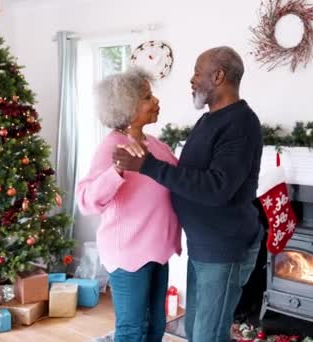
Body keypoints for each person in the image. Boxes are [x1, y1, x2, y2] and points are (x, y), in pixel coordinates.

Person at [113, 46, 264, 342]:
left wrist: (148, 166)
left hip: (224, 250)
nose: (192, 80)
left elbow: (217, 187)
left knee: (208, 335)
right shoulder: (209, 120)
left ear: (218, 76)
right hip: (203, 246)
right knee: (196, 330)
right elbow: (190, 176)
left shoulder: (241, 123)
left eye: (197, 72)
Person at [75, 68, 181, 342]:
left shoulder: (157, 146)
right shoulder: (111, 146)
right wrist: (115, 171)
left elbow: (180, 181)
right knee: (132, 330)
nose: (156, 101)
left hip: (159, 249)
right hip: (128, 254)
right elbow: (86, 200)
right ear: (128, 107)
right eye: (147, 97)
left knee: (156, 325)